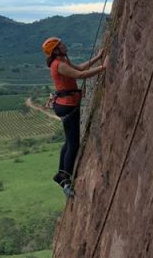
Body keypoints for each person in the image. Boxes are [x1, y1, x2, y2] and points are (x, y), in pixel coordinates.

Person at [42, 37, 106, 197]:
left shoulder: (62, 61)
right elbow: (81, 75)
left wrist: (98, 59)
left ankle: (61, 174)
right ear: (56, 50)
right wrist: (104, 67)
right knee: (74, 144)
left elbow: (79, 68)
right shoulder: (60, 65)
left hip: (65, 105)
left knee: (69, 141)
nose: (64, 45)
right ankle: (65, 179)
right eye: (60, 45)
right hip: (68, 106)